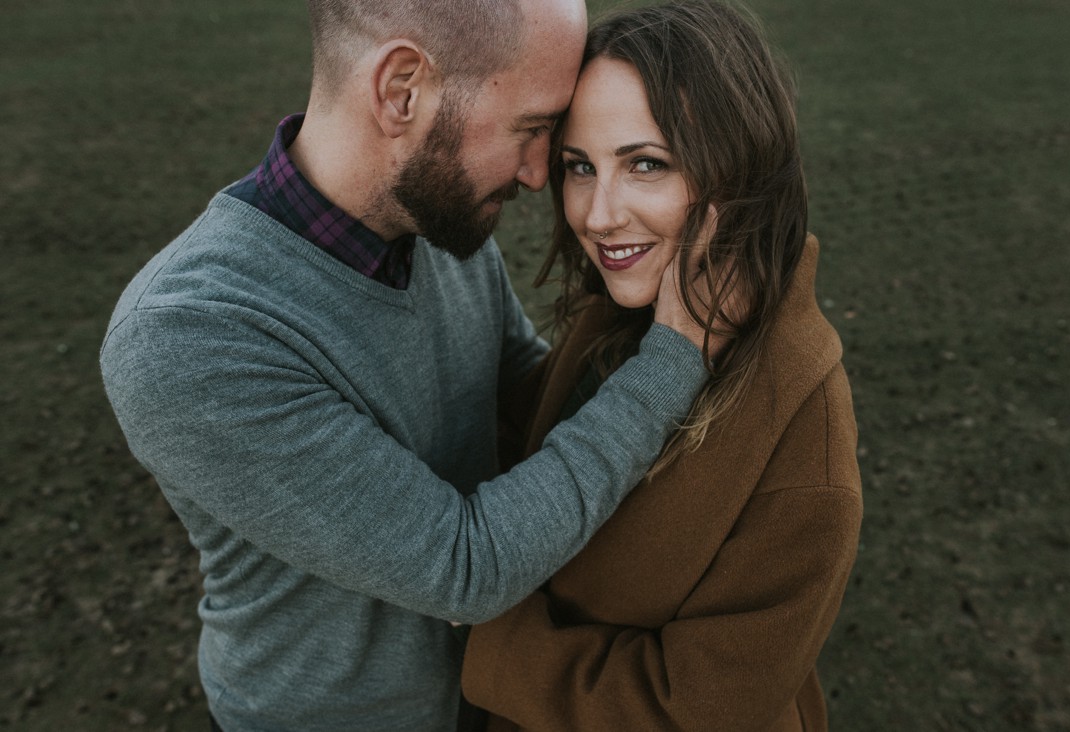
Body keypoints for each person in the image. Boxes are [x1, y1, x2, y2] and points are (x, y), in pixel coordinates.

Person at [98, 1, 729, 730]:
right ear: (401, 89)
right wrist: (676, 356)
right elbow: (468, 568)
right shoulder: (189, 338)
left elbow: (525, 398)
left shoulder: (434, 223)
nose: (536, 175)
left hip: (488, 696)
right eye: (530, 130)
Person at [461, 2, 864, 730]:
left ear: (738, 167)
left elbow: (699, 709)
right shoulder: (622, 316)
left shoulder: (804, 429)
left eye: (646, 164)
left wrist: (486, 640)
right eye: (579, 167)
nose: (598, 213)